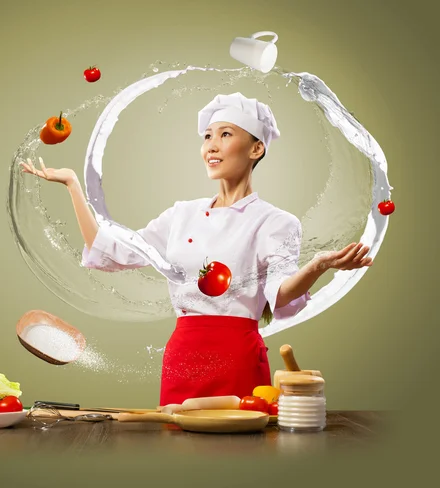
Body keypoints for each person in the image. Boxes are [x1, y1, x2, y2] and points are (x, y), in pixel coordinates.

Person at [20, 92, 373, 407]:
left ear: (256, 148)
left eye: (225, 134)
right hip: (183, 354)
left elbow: (278, 297)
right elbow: (110, 250)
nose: (211, 145)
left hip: (237, 355)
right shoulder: (181, 214)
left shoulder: (276, 222)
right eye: (207, 136)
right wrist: (72, 186)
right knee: (177, 451)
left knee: (241, 453)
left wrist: (316, 267)